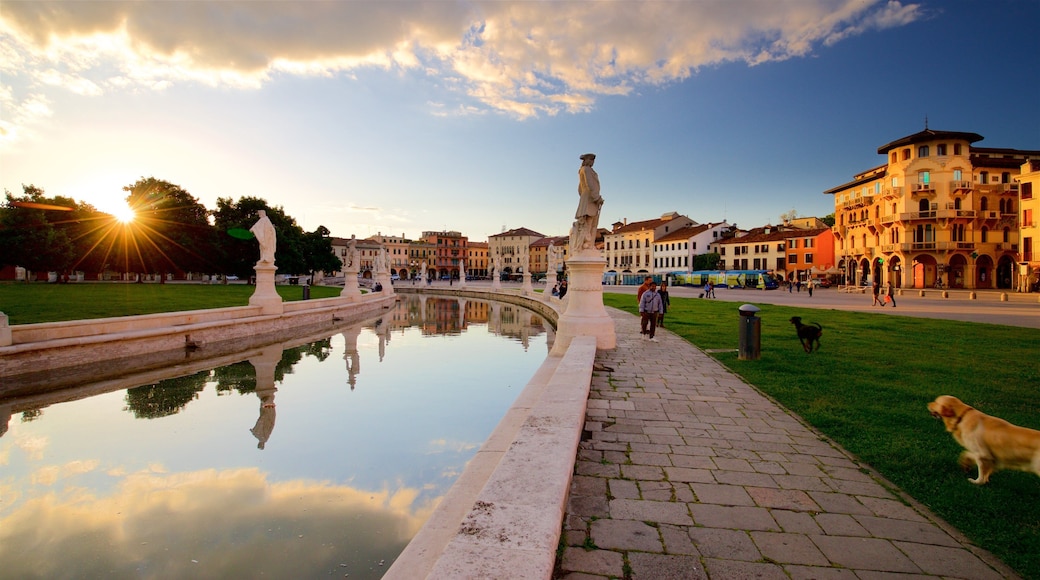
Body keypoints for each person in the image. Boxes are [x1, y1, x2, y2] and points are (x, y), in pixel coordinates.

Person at [570, 153, 603, 252]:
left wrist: (584, 196)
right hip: (590, 199)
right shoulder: (586, 170)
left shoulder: (583, 170)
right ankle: (587, 245)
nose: (593, 162)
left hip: (587, 198)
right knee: (589, 223)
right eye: (592, 160)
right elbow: (590, 184)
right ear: (588, 160)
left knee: (590, 222)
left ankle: (588, 244)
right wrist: (596, 198)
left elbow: (580, 188)